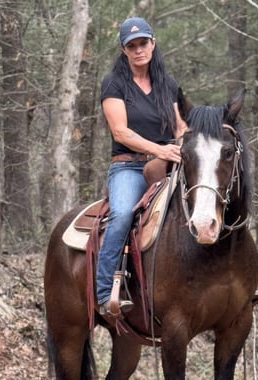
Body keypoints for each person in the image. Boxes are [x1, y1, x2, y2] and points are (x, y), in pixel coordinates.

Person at [95, 16, 187, 319]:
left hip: (168, 165)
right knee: (122, 214)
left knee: (207, 201)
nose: (138, 50)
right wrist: (159, 148)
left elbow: (181, 126)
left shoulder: (167, 84)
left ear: (153, 43)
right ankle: (104, 290)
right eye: (131, 45)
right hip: (129, 168)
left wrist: (183, 145)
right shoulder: (115, 83)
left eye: (143, 43)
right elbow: (120, 132)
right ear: (124, 50)